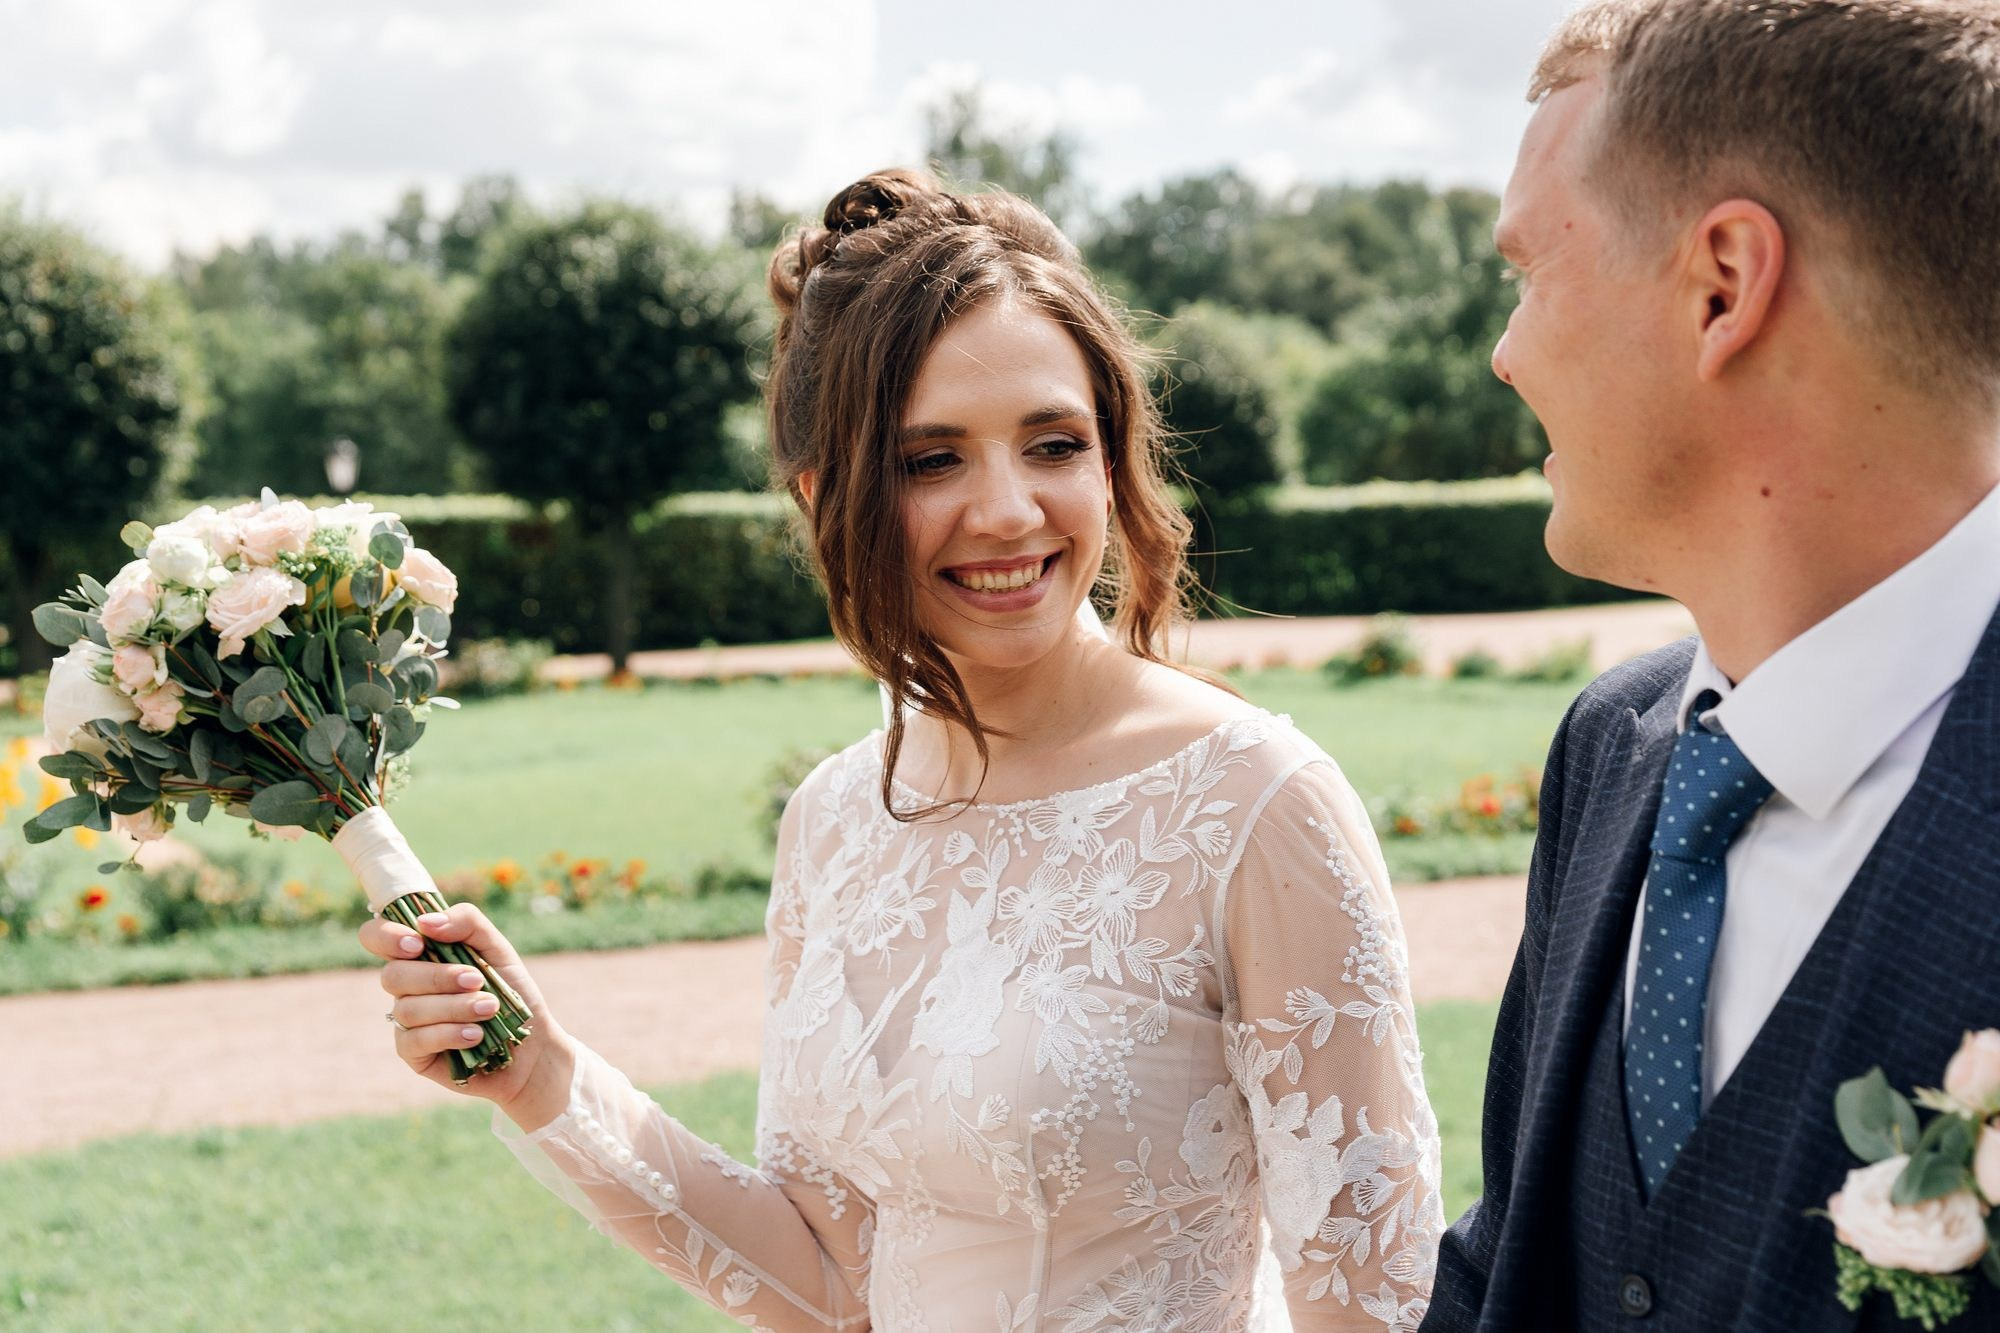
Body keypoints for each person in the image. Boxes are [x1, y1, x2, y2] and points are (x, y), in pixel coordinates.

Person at [357, 170, 1443, 1330]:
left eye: (1052, 443)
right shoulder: (833, 817)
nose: (1008, 510)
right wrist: (542, 1078)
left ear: (1110, 456)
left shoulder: (1254, 804)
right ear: (825, 495)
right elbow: (833, 1279)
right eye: (931, 460)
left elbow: (1374, 1305)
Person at [1423, 1, 2000, 1329]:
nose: (1504, 354)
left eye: (1526, 272)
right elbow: (1512, 1260)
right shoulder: (1615, 746)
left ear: (1722, 286)